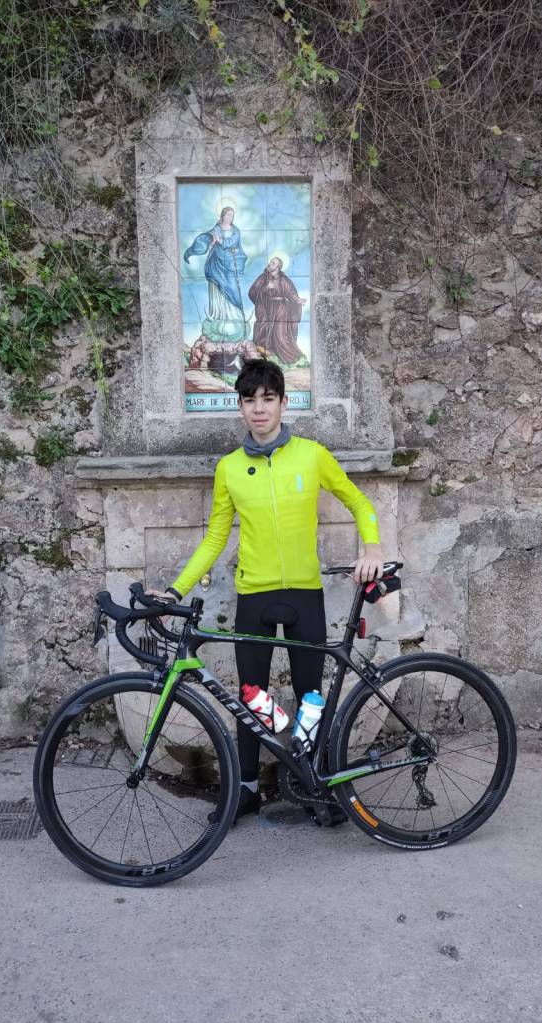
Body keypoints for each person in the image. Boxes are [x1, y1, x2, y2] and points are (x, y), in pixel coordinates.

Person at [149, 359, 384, 822]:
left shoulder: (312, 455)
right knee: (251, 696)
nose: (259, 409)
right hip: (254, 596)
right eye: (250, 400)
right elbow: (216, 538)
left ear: (282, 402)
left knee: (310, 694)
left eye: (268, 399)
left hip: (304, 593)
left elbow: (358, 502)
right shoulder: (229, 468)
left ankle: (314, 785)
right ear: (239, 406)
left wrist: (372, 547)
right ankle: (248, 789)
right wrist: (175, 591)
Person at [183, 206, 249, 345]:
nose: (230, 217)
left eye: (232, 215)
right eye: (228, 215)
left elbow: (233, 242)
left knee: (233, 289)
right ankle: (218, 316)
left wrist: (222, 241)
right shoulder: (216, 229)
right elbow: (208, 238)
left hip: (230, 264)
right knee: (217, 289)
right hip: (216, 263)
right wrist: (211, 240)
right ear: (223, 215)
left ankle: (235, 317)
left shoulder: (236, 231)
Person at [248, 257, 306, 364]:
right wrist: (266, 287)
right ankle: (267, 352)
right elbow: (252, 292)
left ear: (278, 267)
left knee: (280, 334)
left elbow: (291, 292)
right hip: (266, 308)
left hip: (280, 309)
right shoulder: (263, 278)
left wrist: (298, 300)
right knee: (263, 329)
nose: (270, 264)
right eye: (270, 262)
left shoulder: (283, 279)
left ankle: (290, 357)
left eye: (273, 263)